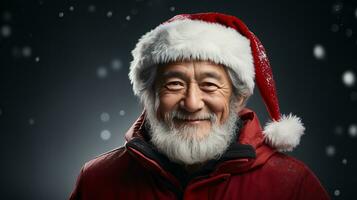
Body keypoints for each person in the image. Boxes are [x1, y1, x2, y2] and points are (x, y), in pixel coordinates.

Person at [69, 12, 330, 200]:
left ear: (238, 98)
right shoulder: (97, 180)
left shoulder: (292, 185)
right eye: (174, 85)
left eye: (210, 85)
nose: (192, 103)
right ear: (149, 95)